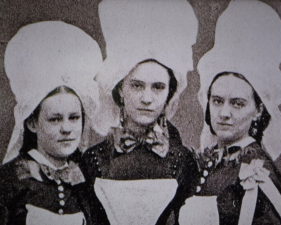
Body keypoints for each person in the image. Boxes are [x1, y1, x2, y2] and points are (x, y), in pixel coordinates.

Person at [80, 1, 199, 224]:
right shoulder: (94, 159)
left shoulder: (183, 161)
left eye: (158, 87)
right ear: (120, 90)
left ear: (169, 94)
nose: (147, 98)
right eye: (136, 85)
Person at [179, 0, 281, 224]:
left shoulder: (257, 172)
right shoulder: (213, 162)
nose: (224, 113)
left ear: (258, 110)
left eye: (237, 103)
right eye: (217, 101)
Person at [0, 21, 110, 225]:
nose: (67, 128)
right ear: (32, 123)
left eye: (74, 118)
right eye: (55, 119)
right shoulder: (9, 180)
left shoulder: (87, 179)